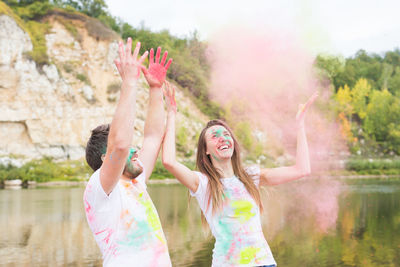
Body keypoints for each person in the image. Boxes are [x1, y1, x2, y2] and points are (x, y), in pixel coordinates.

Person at [162, 81, 318, 267]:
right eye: (214, 136)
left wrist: (300, 125)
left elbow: (302, 169)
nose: (223, 137)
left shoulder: (250, 177)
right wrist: (171, 115)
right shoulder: (202, 184)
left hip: (265, 263)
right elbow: (169, 162)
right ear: (206, 151)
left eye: (226, 134)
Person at [83, 38, 172, 267]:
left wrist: (155, 89)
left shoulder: (136, 182)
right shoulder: (101, 188)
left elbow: (153, 137)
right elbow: (120, 145)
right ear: (106, 159)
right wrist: (130, 82)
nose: (135, 149)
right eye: (127, 149)